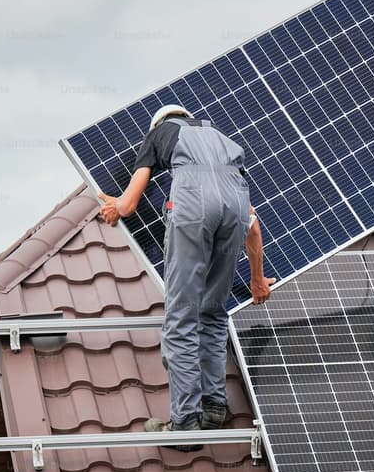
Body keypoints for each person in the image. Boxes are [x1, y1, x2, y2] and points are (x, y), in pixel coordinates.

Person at [98, 104, 275, 451]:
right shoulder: (224, 142)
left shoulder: (159, 134)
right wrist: (257, 279)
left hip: (194, 208)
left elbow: (130, 203)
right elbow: (252, 227)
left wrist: (114, 207)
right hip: (235, 210)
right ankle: (214, 408)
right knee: (212, 312)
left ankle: (185, 424)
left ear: (161, 123)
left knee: (180, 319)